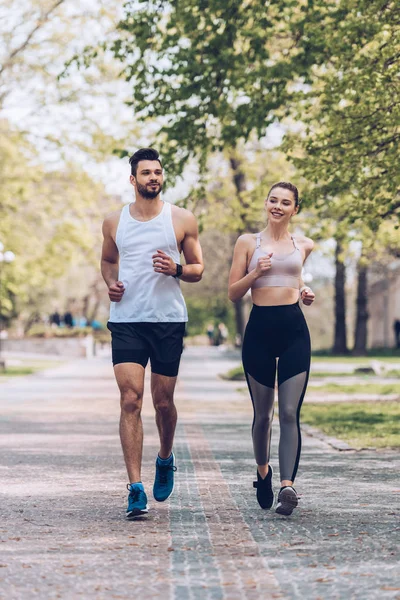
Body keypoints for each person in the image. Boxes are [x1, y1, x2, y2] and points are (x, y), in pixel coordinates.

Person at [101, 148, 204, 519]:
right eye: (146, 173)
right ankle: (135, 487)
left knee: (163, 403)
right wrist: (111, 283)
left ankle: (165, 458)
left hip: (167, 321)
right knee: (131, 400)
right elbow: (108, 260)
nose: (153, 178)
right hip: (127, 319)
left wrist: (175, 268)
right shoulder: (114, 222)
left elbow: (198, 268)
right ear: (133, 180)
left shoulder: (181, 219)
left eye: (157, 172)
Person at [228, 181, 315, 516]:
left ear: (295, 209)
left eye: (286, 202)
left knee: (290, 413)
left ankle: (287, 486)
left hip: (294, 330)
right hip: (259, 331)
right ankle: (263, 472)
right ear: (266, 204)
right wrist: (255, 272)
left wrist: (305, 292)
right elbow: (234, 292)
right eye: (273, 200)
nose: (278, 206)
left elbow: (296, 279)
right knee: (263, 415)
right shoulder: (248, 243)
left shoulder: (304, 244)